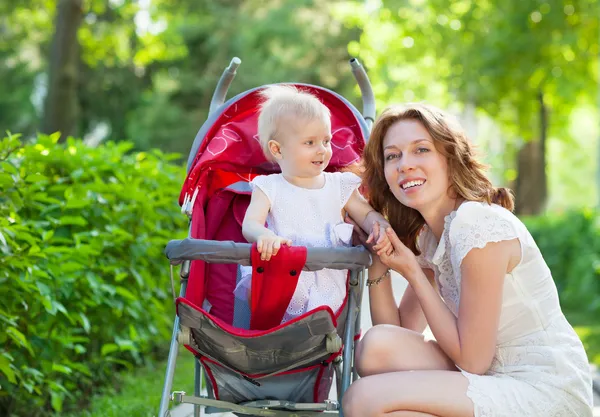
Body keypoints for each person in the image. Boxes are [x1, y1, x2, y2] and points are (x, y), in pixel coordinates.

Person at [342, 103, 593, 416]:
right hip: (490, 374)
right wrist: (378, 253)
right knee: (374, 347)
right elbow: (394, 338)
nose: (405, 164)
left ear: (450, 157)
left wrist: (415, 275)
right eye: (393, 155)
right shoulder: (433, 237)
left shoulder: (476, 223)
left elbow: (473, 360)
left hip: (543, 387)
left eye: (421, 149)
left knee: (363, 399)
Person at [235, 85, 392, 323]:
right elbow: (250, 224)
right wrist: (263, 236)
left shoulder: (339, 185)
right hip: (280, 282)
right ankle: (269, 338)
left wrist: (379, 226)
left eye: (326, 141)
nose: (322, 150)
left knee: (320, 322)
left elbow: (365, 214)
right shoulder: (269, 187)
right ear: (277, 149)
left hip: (327, 283)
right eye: (310, 143)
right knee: (257, 289)